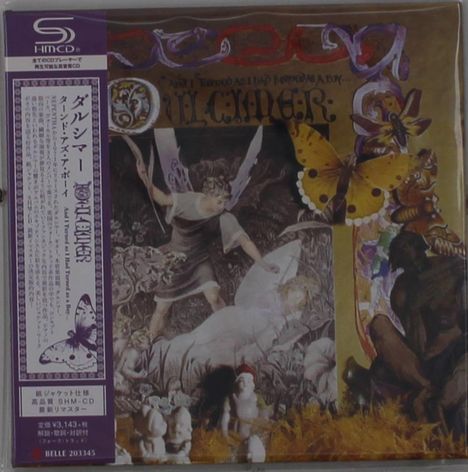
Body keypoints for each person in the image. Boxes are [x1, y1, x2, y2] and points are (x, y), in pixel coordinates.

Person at [136, 157, 279, 339]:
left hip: (199, 261)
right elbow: (162, 200)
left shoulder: (224, 217)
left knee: (214, 297)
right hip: (173, 261)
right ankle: (149, 342)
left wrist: (263, 263)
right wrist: (144, 178)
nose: (222, 206)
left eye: (225, 201)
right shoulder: (188, 200)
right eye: (219, 201)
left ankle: (234, 334)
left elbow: (245, 241)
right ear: (208, 196)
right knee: (162, 308)